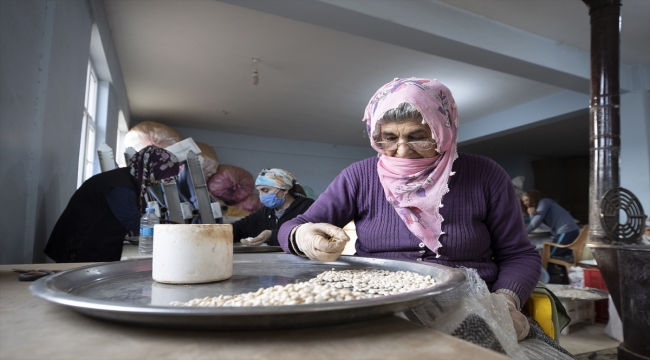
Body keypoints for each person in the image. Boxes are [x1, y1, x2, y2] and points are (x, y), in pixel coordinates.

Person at [278, 78, 542, 344]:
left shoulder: (485, 174)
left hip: (468, 304)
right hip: (378, 302)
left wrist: (506, 302)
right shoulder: (359, 176)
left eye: (417, 137)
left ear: (443, 131)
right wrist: (303, 236)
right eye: (389, 139)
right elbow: (293, 227)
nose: (402, 152)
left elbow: (519, 255)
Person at [44, 146, 180, 262]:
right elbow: (134, 222)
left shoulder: (126, 179)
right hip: (79, 248)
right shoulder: (121, 186)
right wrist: (176, 236)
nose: (160, 182)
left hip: (92, 246)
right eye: (162, 176)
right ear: (152, 168)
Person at [233, 168, 314, 247]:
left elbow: (307, 235)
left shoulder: (308, 207)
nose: (261, 195)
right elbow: (240, 227)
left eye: (265, 190)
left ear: (285, 189)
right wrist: (224, 232)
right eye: (259, 191)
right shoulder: (265, 212)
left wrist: (271, 235)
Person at [521, 190, 580, 261]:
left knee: (550, 256)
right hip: (570, 231)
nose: (525, 203)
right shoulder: (541, 206)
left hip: (566, 231)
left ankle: (549, 272)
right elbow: (539, 225)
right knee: (562, 258)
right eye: (523, 201)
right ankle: (565, 271)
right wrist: (532, 214)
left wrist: (522, 234)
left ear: (533, 198)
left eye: (526, 200)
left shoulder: (544, 202)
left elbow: (535, 223)